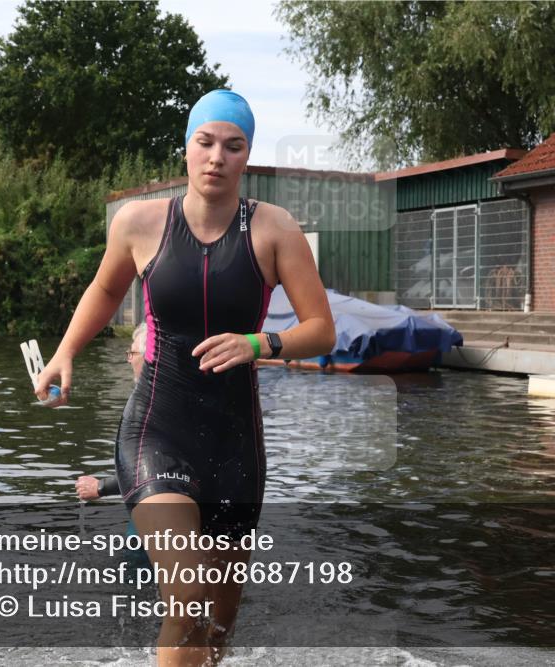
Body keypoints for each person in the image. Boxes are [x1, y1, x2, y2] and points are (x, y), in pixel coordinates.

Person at [36, 89, 335, 666]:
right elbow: (103, 290)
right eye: (206, 142)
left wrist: (260, 342)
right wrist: (65, 351)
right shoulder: (140, 222)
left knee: (217, 627)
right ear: (186, 149)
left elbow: (322, 329)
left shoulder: (274, 230)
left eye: (233, 145)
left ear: (247, 156)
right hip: (157, 429)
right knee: (189, 594)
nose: (217, 157)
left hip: (235, 446)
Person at [75, 323, 146, 501]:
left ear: (150, 358)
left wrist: (101, 487)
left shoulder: (154, 406)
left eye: (132, 353)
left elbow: (159, 471)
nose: (128, 360)